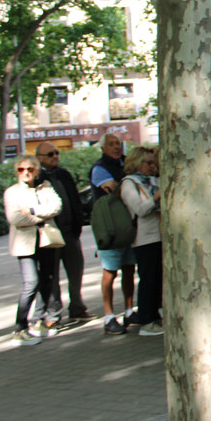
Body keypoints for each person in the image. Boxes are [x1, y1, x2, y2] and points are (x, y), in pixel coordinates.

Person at [3, 156, 64, 345]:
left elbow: (57, 206)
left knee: (47, 280)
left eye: (30, 169)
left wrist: (30, 211)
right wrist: (40, 215)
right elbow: (15, 219)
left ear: (37, 170)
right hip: (24, 243)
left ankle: (39, 320)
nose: (26, 173)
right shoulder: (12, 192)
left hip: (46, 240)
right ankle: (20, 327)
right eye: (21, 170)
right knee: (31, 283)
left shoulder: (44, 187)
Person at [36, 142, 94, 322]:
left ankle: (77, 306)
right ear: (40, 158)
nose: (55, 157)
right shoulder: (36, 177)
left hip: (70, 232)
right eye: (50, 154)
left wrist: (77, 224)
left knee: (76, 270)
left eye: (56, 153)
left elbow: (75, 200)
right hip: (50, 234)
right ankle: (54, 313)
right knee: (51, 275)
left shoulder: (63, 174)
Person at [90, 132, 135, 335]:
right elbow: (114, 189)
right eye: (111, 144)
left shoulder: (125, 164)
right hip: (110, 227)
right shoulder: (100, 168)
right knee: (110, 272)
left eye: (118, 143)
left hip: (128, 226)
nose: (117, 147)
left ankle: (129, 310)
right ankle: (109, 316)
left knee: (129, 269)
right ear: (103, 148)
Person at [120, 146, 163, 336]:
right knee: (148, 279)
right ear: (137, 162)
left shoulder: (152, 181)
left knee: (158, 278)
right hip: (144, 239)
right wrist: (157, 197)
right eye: (148, 162)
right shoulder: (129, 184)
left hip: (159, 235)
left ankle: (155, 315)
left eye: (153, 162)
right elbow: (140, 209)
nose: (152, 166)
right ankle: (146, 320)